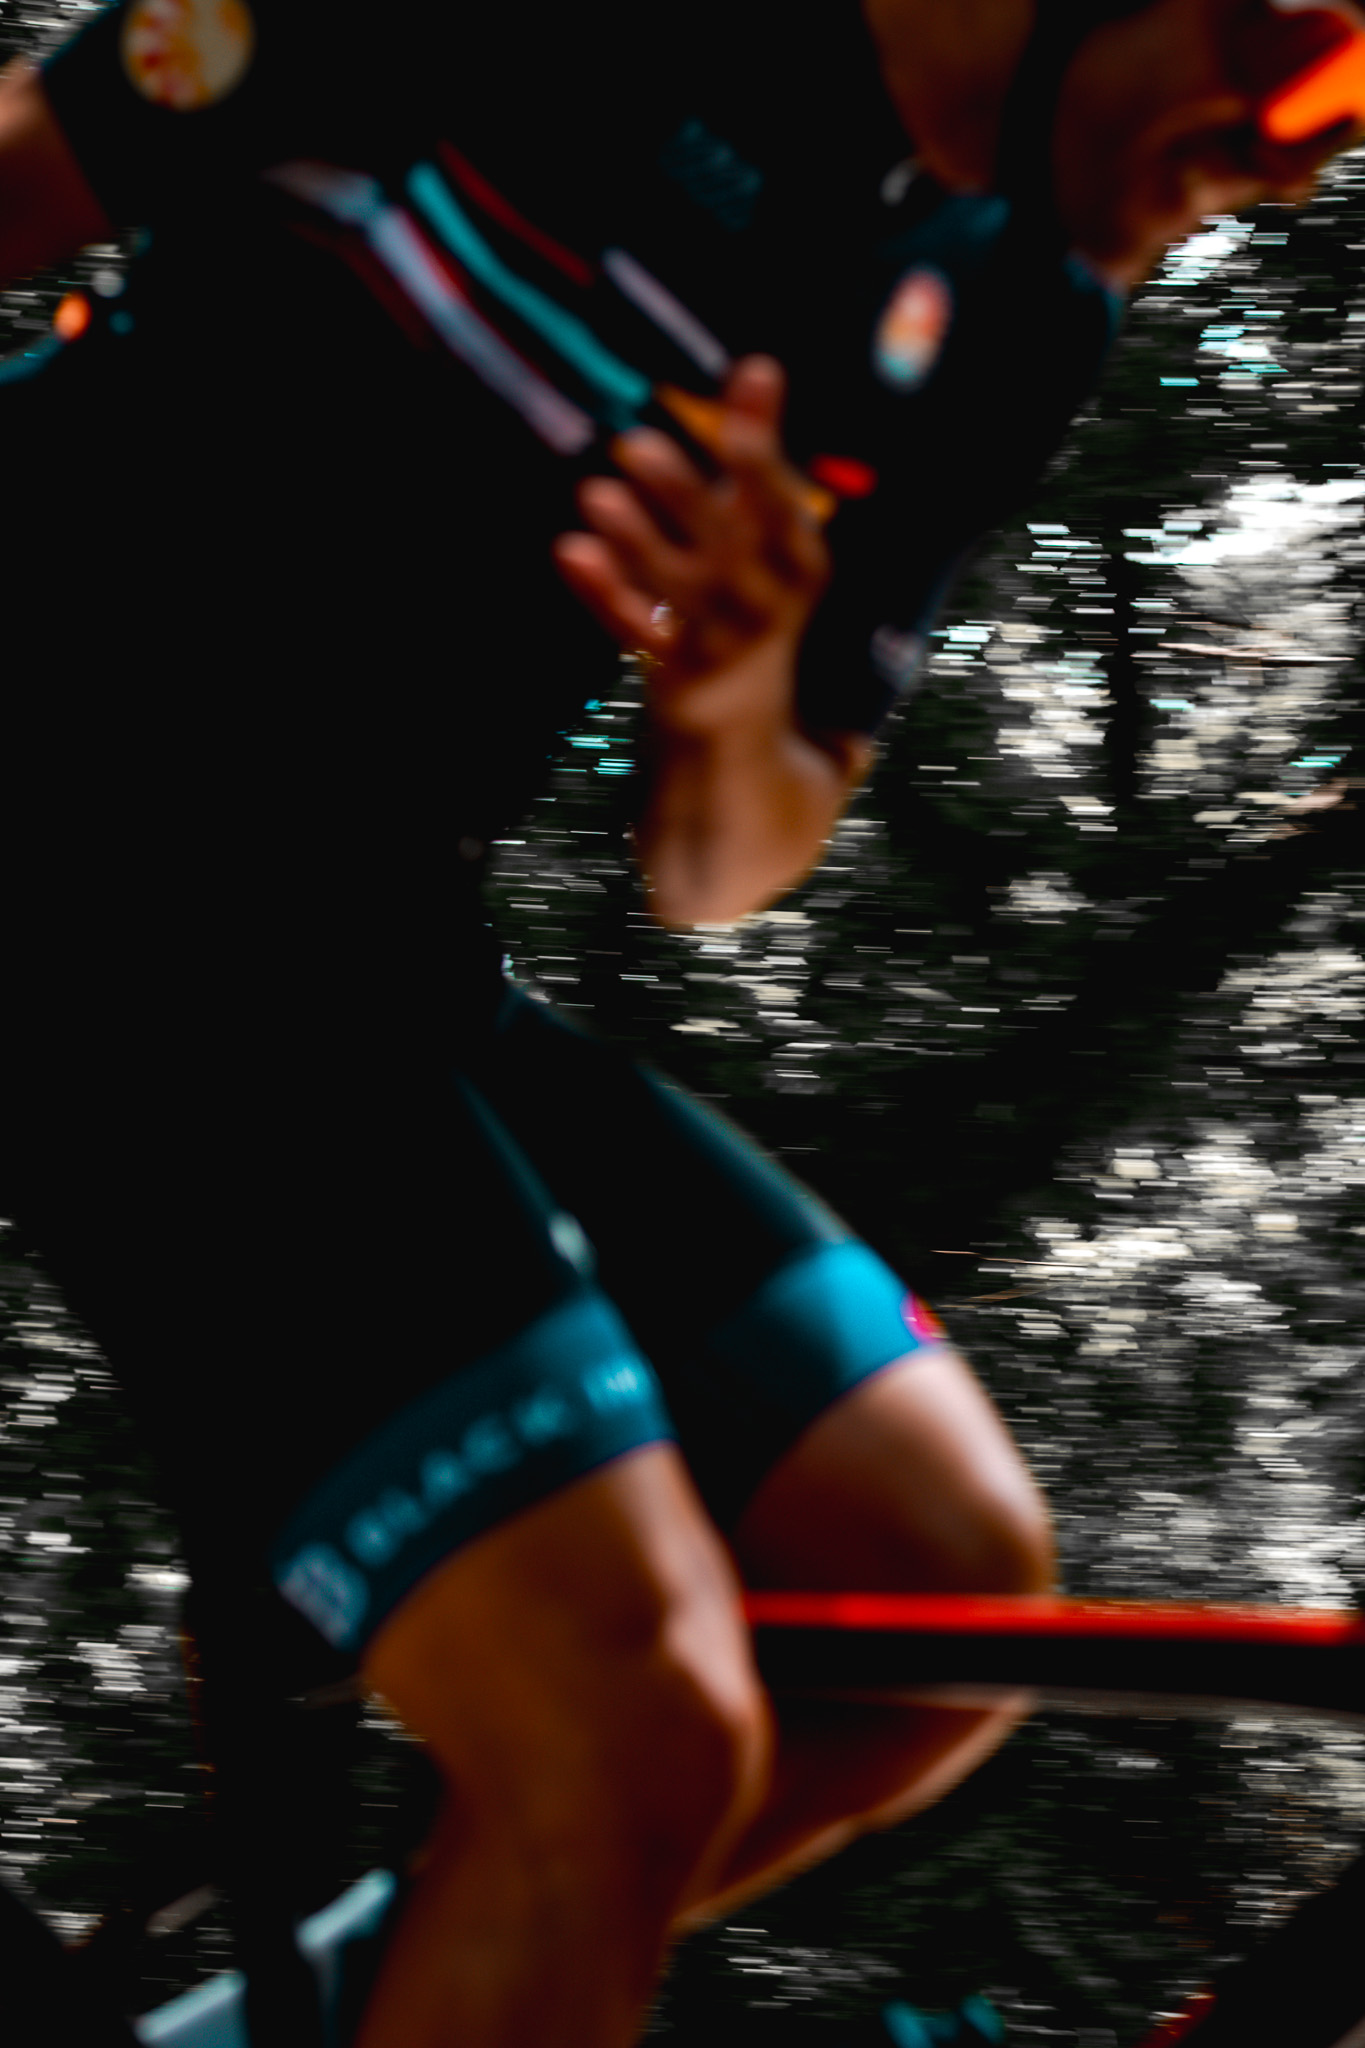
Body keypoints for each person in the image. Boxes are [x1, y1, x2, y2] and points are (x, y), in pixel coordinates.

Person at [0, 2, 1356, 2046]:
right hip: (79, 845)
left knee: (932, 1591)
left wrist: (724, 704)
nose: (1292, 148)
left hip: (359, 932)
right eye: (1291, 53)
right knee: (628, 1723)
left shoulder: (1010, 305)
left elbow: (725, 853)